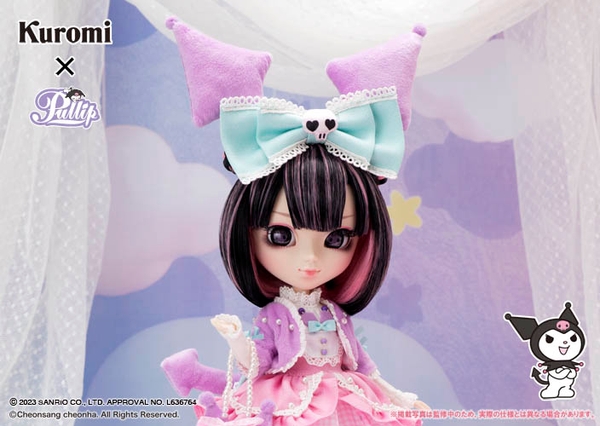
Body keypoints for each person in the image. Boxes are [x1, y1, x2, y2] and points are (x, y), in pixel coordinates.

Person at [162, 17, 427, 425]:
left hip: (346, 399)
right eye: (281, 235)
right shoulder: (274, 316)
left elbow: (363, 365)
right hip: (287, 402)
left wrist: (398, 398)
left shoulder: (336, 315)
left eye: (337, 238)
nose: (310, 259)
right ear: (246, 233)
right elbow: (256, 363)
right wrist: (236, 338)